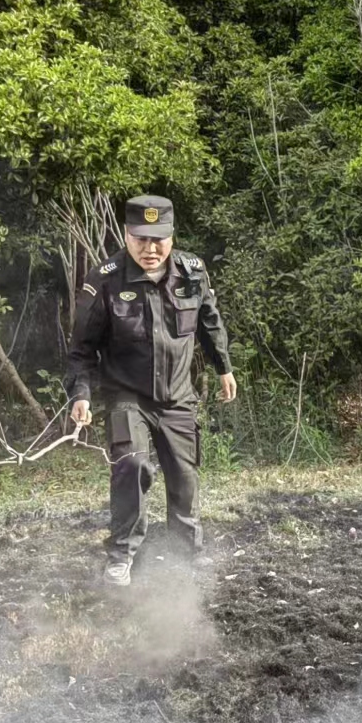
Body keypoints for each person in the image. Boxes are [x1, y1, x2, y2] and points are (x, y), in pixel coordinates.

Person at [66, 194, 237, 585]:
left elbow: (209, 323)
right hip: (127, 396)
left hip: (178, 397)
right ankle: (121, 557)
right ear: (127, 235)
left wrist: (224, 367)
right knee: (132, 465)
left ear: (171, 237)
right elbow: (81, 349)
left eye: (158, 239)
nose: (150, 248)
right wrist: (81, 394)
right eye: (141, 238)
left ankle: (184, 556)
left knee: (184, 476)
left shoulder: (192, 273)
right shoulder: (104, 280)